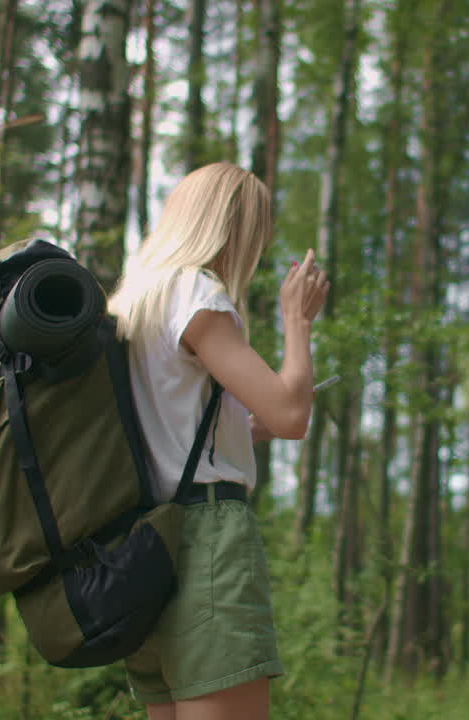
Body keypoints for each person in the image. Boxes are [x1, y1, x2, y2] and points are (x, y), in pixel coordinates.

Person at [107, 161, 329, 720]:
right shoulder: (197, 294)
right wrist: (297, 322)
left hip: (144, 545)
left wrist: (236, 429)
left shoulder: (135, 301)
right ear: (232, 230)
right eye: (256, 232)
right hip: (205, 541)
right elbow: (289, 415)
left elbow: (172, 423)